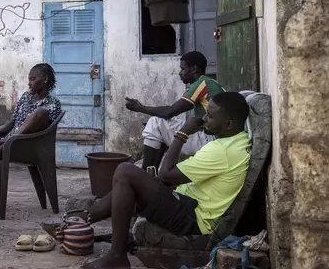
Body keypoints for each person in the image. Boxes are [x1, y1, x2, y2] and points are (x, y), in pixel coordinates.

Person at [45, 92, 251, 269]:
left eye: (210, 115)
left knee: (126, 172)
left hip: (194, 218)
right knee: (131, 185)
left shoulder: (221, 151)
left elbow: (166, 174)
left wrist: (182, 133)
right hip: (190, 201)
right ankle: (81, 219)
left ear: (229, 123)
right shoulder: (238, 141)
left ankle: (116, 255)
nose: (204, 119)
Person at [124, 51, 225, 171]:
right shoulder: (209, 82)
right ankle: (151, 174)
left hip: (211, 139)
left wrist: (140, 108)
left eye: (183, 69)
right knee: (159, 124)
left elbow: (169, 112)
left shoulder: (201, 84)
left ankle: (146, 174)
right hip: (214, 136)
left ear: (194, 69)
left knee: (155, 123)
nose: (180, 73)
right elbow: (171, 110)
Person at [0, 63, 62, 162]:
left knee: (40, 112)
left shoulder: (53, 103)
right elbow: (12, 121)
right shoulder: (26, 96)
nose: (29, 83)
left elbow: (39, 129)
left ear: (45, 79)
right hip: (6, 142)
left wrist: (3, 142)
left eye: (33, 79)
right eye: (29, 79)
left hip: (26, 146)